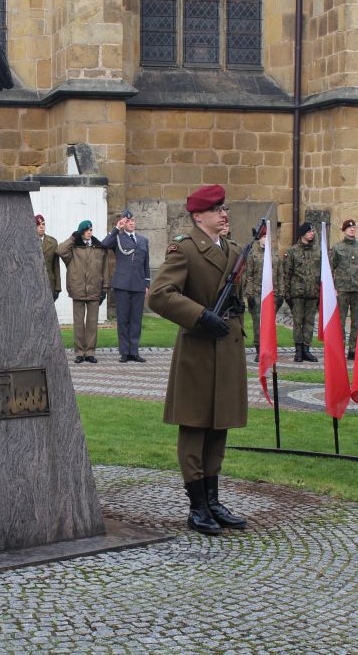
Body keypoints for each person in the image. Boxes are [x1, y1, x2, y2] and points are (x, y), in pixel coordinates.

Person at [148, 184, 247, 536]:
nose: (224, 214)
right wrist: (200, 315)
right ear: (198, 216)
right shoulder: (186, 250)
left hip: (227, 347)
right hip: (199, 350)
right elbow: (159, 295)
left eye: (224, 208)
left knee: (218, 424)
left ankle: (214, 500)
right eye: (217, 209)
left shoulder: (234, 249)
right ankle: (197, 506)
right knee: (194, 425)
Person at [100, 209, 150, 362]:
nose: (131, 223)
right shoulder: (118, 238)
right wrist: (116, 228)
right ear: (123, 223)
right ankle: (124, 352)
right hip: (122, 284)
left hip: (139, 285)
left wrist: (147, 283)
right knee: (123, 319)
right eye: (127, 221)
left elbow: (146, 264)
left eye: (132, 220)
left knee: (136, 319)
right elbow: (104, 244)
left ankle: (134, 351)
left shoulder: (143, 240)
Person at [57, 220, 110, 364]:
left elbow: (105, 269)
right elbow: (60, 250)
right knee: (79, 323)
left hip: (94, 289)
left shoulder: (99, 247)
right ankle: (79, 352)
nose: (89, 232)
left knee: (92, 323)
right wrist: (73, 237)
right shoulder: (73, 248)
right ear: (81, 232)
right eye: (86, 230)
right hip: (78, 289)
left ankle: (90, 352)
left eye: (90, 229)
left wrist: (105, 288)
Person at [282, 222, 321, 363]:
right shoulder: (292, 252)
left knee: (309, 322)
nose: (312, 233)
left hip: (312, 293)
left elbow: (323, 273)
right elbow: (287, 274)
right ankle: (298, 350)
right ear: (303, 233)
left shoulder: (318, 251)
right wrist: (287, 295)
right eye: (309, 231)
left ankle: (306, 349)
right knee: (298, 322)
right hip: (297, 293)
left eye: (312, 231)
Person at [330, 219, 358, 360]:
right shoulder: (337, 248)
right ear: (344, 230)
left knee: (357, 321)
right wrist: (333, 287)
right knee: (340, 320)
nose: (352, 230)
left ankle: (354, 349)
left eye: (354, 228)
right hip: (342, 288)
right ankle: (339, 348)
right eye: (349, 228)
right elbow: (331, 267)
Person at [241, 224, 275, 363]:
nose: (266, 239)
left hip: (270, 293)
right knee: (257, 322)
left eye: (268, 237)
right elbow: (247, 275)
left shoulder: (274, 255)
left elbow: (278, 274)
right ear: (259, 239)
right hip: (256, 292)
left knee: (269, 322)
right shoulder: (252, 255)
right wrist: (249, 293)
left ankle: (268, 347)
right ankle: (259, 348)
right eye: (263, 237)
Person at [36, 214, 61, 301]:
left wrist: (57, 288)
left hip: (49, 284)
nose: (41, 227)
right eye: (38, 225)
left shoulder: (53, 243)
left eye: (43, 224)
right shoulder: (27, 243)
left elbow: (56, 266)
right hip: (33, 285)